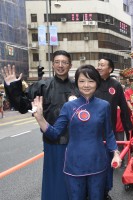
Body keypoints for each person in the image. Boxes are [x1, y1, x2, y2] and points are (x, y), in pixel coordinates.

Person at [31, 65, 121, 199]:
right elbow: (55, 133)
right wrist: (40, 119)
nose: (86, 85)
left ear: (97, 82)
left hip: (98, 161)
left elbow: (109, 134)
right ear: (77, 83)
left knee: (97, 197)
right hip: (74, 163)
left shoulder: (104, 106)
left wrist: (116, 153)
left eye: (91, 81)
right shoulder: (68, 107)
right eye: (82, 81)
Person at [1, 50, 77, 200]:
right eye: (57, 62)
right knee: (54, 179)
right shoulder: (42, 85)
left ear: (70, 65)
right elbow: (22, 106)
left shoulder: (79, 85)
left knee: (77, 179)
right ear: (53, 64)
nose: (60, 66)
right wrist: (12, 87)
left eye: (64, 62)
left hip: (77, 141)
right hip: (53, 142)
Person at [95, 58, 133, 200]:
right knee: (93, 162)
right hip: (92, 131)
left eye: (102, 65)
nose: (99, 67)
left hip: (108, 130)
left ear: (110, 69)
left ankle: (105, 191)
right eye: (98, 65)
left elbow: (123, 107)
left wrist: (129, 128)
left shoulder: (115, 85)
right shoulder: (92, 82)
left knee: (107, 163)